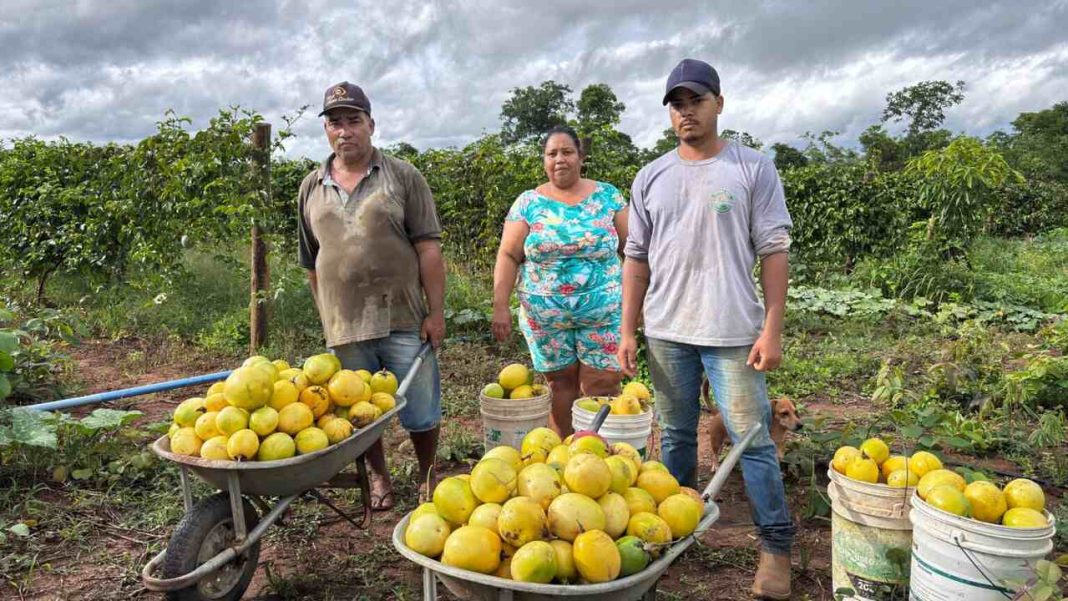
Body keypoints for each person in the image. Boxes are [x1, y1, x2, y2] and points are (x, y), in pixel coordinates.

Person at [617, 59, 796, 599]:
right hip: (667, 331)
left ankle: (775, 547)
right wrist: (629, 329)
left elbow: (774, 250)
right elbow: (636, 259)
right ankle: (673, 533)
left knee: (752, 440)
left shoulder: (752, 168)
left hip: (733, 332)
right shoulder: (650, 176)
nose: (685, 111)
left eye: (695, 100)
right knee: (673, 436)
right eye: (676, 103)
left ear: (719, 103)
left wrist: (772, 328)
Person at [297, 81, 446, 510]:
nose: (345, 131)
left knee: (419, 408)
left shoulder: (402, 175)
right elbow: (312, 262)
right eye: (335, 122)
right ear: (326, 130)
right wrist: (327, 315)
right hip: (345, 326)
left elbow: (429, 248)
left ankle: (427, 477)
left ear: (371, 125)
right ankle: (379, 478)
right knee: (358, 414)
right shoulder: (311, 186)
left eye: (353, 121)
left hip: (402, 316)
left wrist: (435, 313)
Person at [492, 125, 628, 436]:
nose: (559, 159)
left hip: (603, 316)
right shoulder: (528, 203)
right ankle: (566, 456)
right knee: (560, 385)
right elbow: (508, 255)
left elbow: (632, 251)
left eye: (567, 152)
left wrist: (640, 302)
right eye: (552, 153)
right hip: (545, 320)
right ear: (544, 160)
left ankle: (601, 457)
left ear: (581, 157)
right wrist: (500, 306)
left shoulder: (608, 196)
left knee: (603, 385)